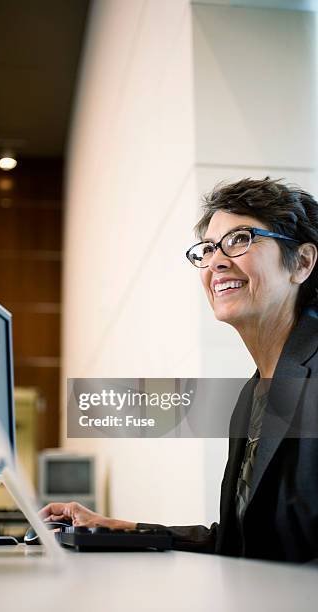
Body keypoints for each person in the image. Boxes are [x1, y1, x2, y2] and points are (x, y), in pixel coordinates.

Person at [40, 177, 318, 563]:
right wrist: (119, 528)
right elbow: (241, 542)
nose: (217, 261)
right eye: (209, 248)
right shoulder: (251, 396)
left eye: (240, 239)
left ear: (302, 262)